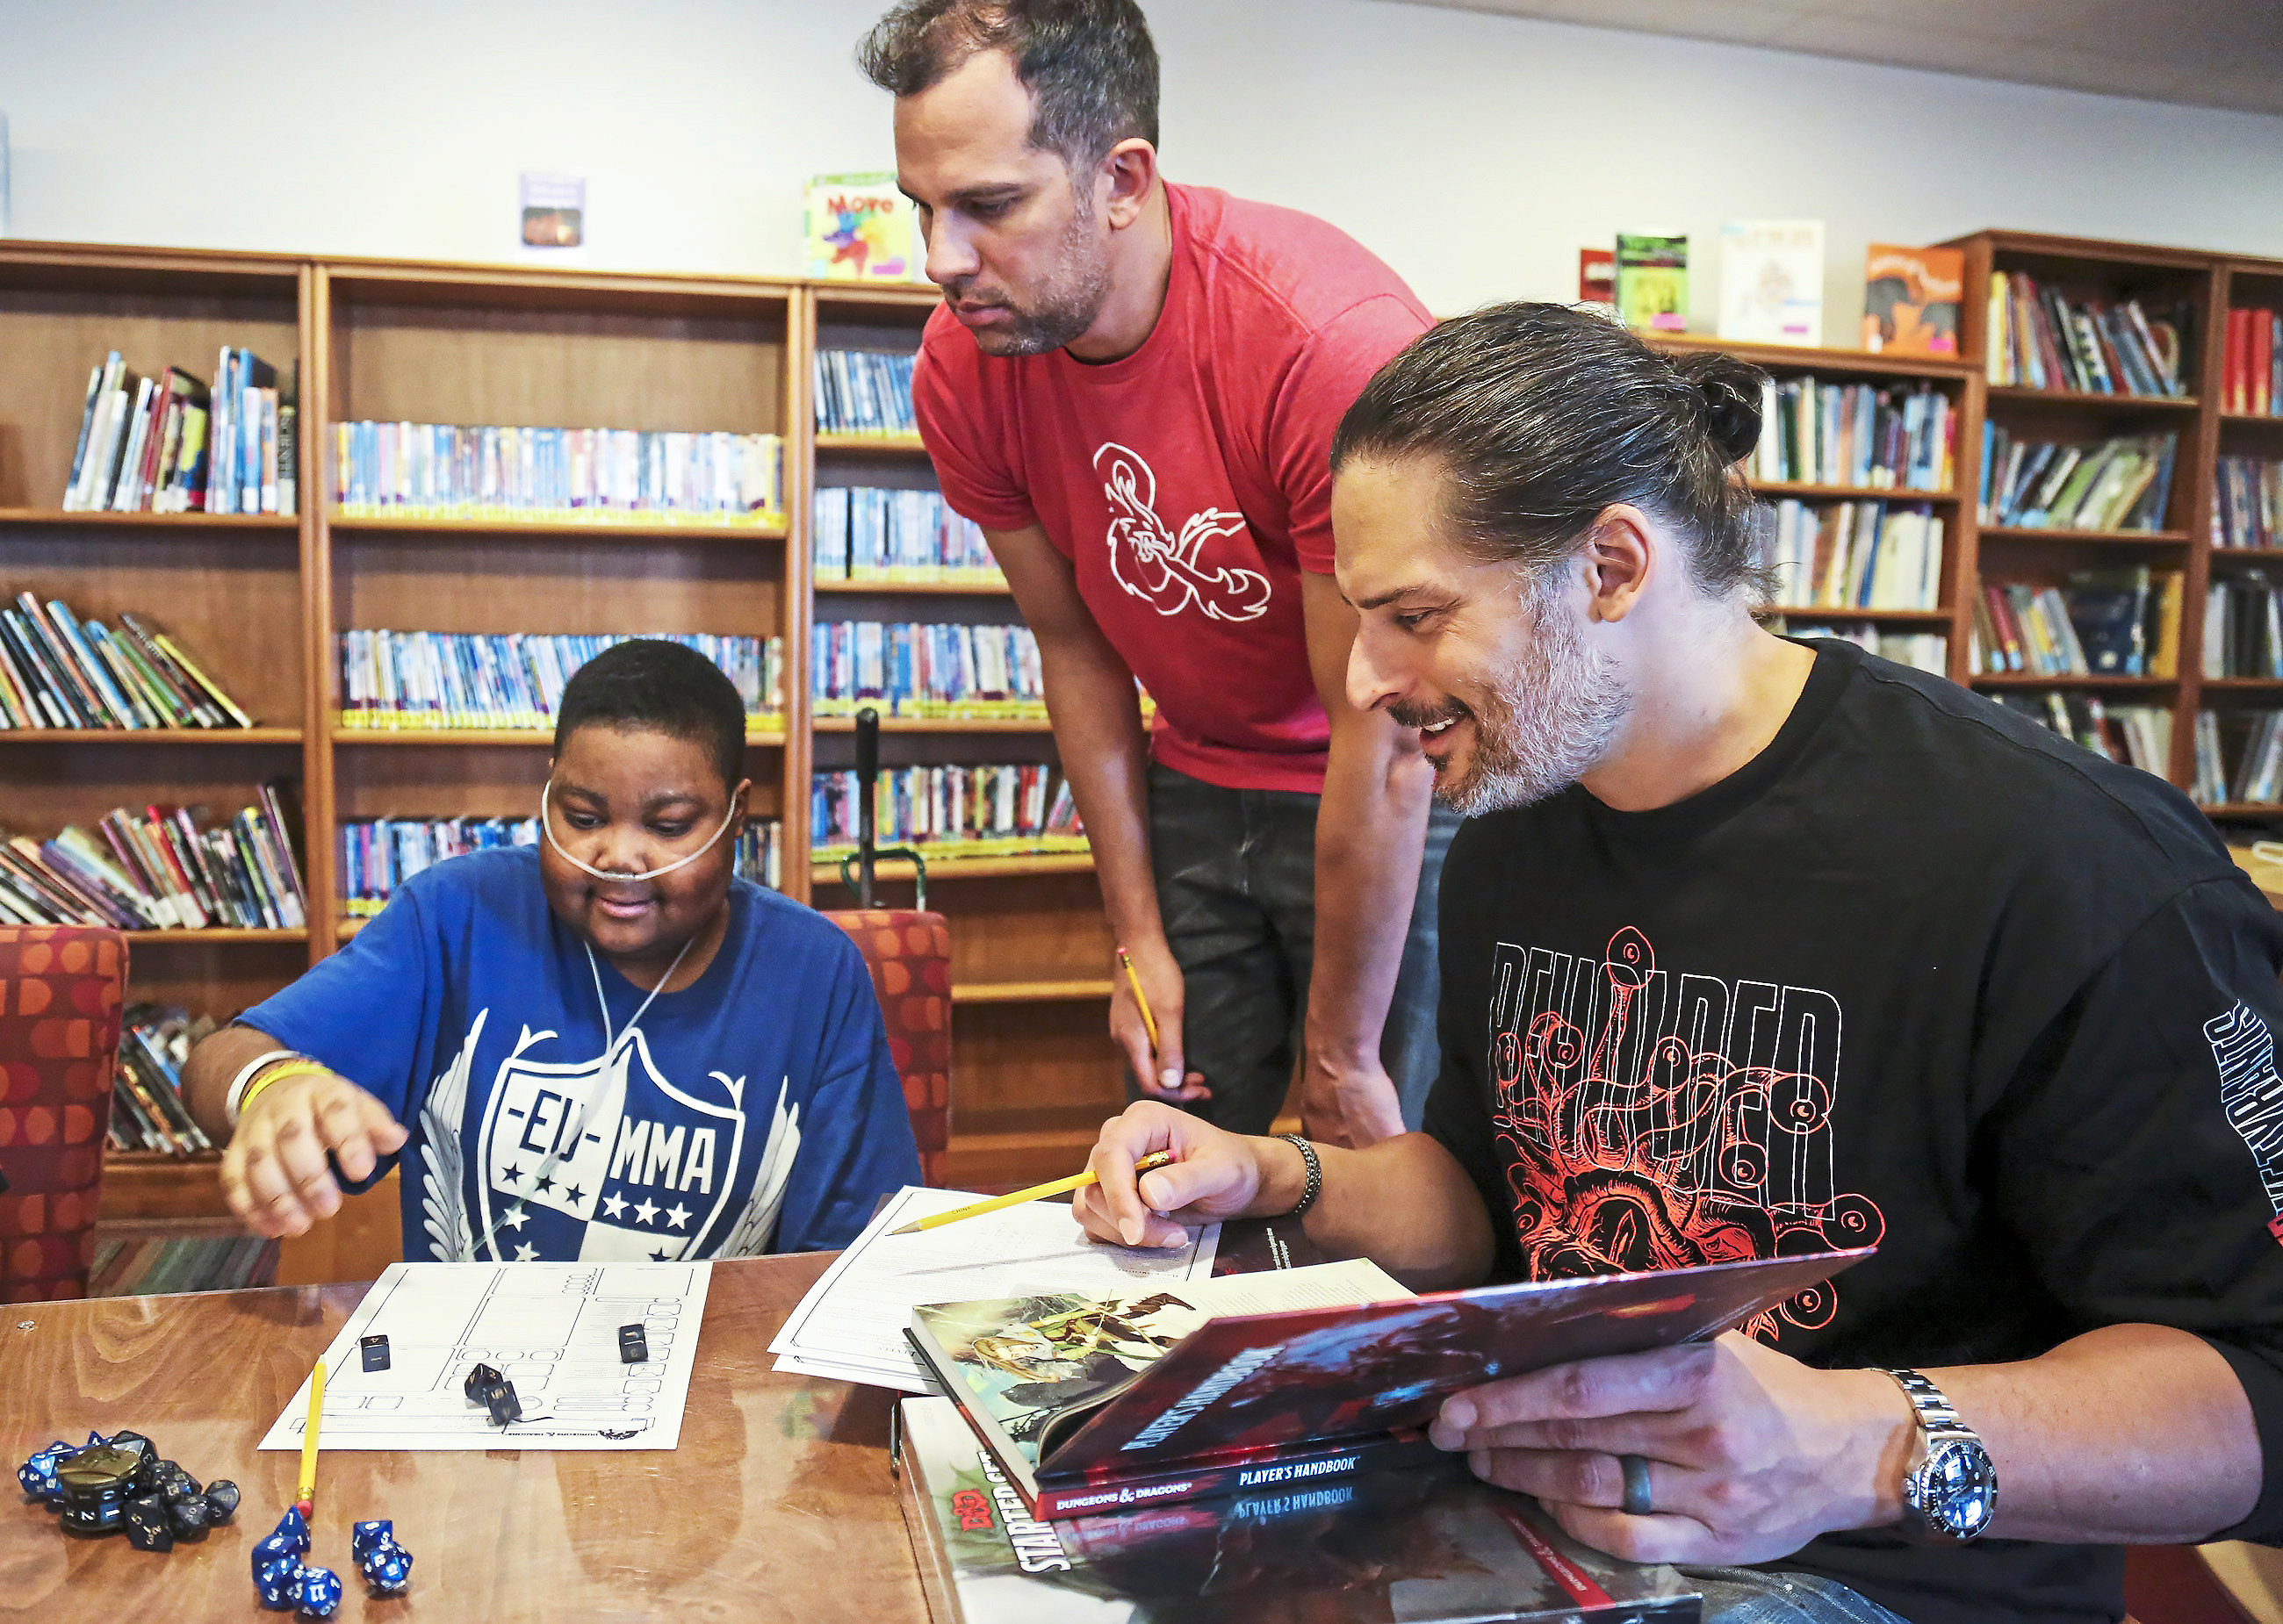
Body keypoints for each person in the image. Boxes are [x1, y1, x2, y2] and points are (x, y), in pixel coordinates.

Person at [1071, 304, 2283, 1624]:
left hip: (1875, 1577)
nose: (1364, 680)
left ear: (1610, 564)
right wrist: (1276, 1174)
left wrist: (1851, 1446)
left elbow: (2258, 1391)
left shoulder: (2061, 866)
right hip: (1541, 1529)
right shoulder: (1522, 819)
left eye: (1415, 615)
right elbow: (1492, 1197)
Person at [861, 0, 1455, 1145]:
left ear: (1123, 178)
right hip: (1195, 779)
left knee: (1383, 1160)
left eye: (989, 206)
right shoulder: (965, 363)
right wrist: (1132, 934)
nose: (941, 260)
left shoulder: (1329, 344)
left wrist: (1334, 1056)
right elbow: (1072, 643)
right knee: (1189, 1163)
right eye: (921, 209)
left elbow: (1381, 724)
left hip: (1396, 780)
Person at [185, 638, 921, 1261]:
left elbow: (855, 1248)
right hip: (476, 1377)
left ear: (738, 816)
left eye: (668, 826)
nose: (619, 856)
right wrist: (271, 1089)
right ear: (547, 799)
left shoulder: (813, 971)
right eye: (583, 816)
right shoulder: (459, 915)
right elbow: (220, 1058)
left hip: (715, 1388)